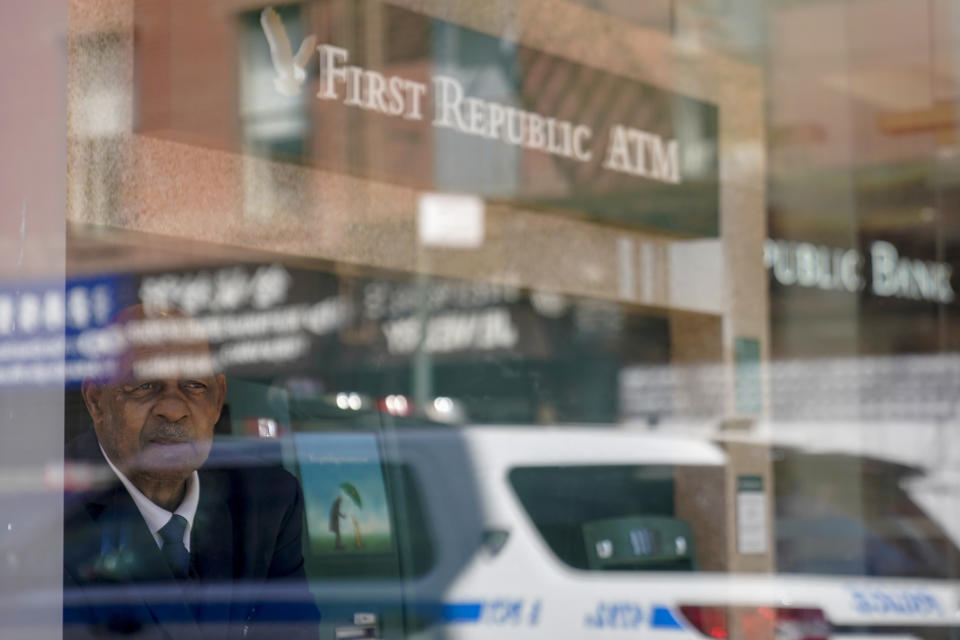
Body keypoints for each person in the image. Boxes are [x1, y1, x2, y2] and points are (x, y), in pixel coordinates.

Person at [63, 306, 320, 639]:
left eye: (195, 385)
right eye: (144, 385)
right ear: (96, 401)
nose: (172, 409)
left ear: (217, 401)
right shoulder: (47, 508)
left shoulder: (268, 498)